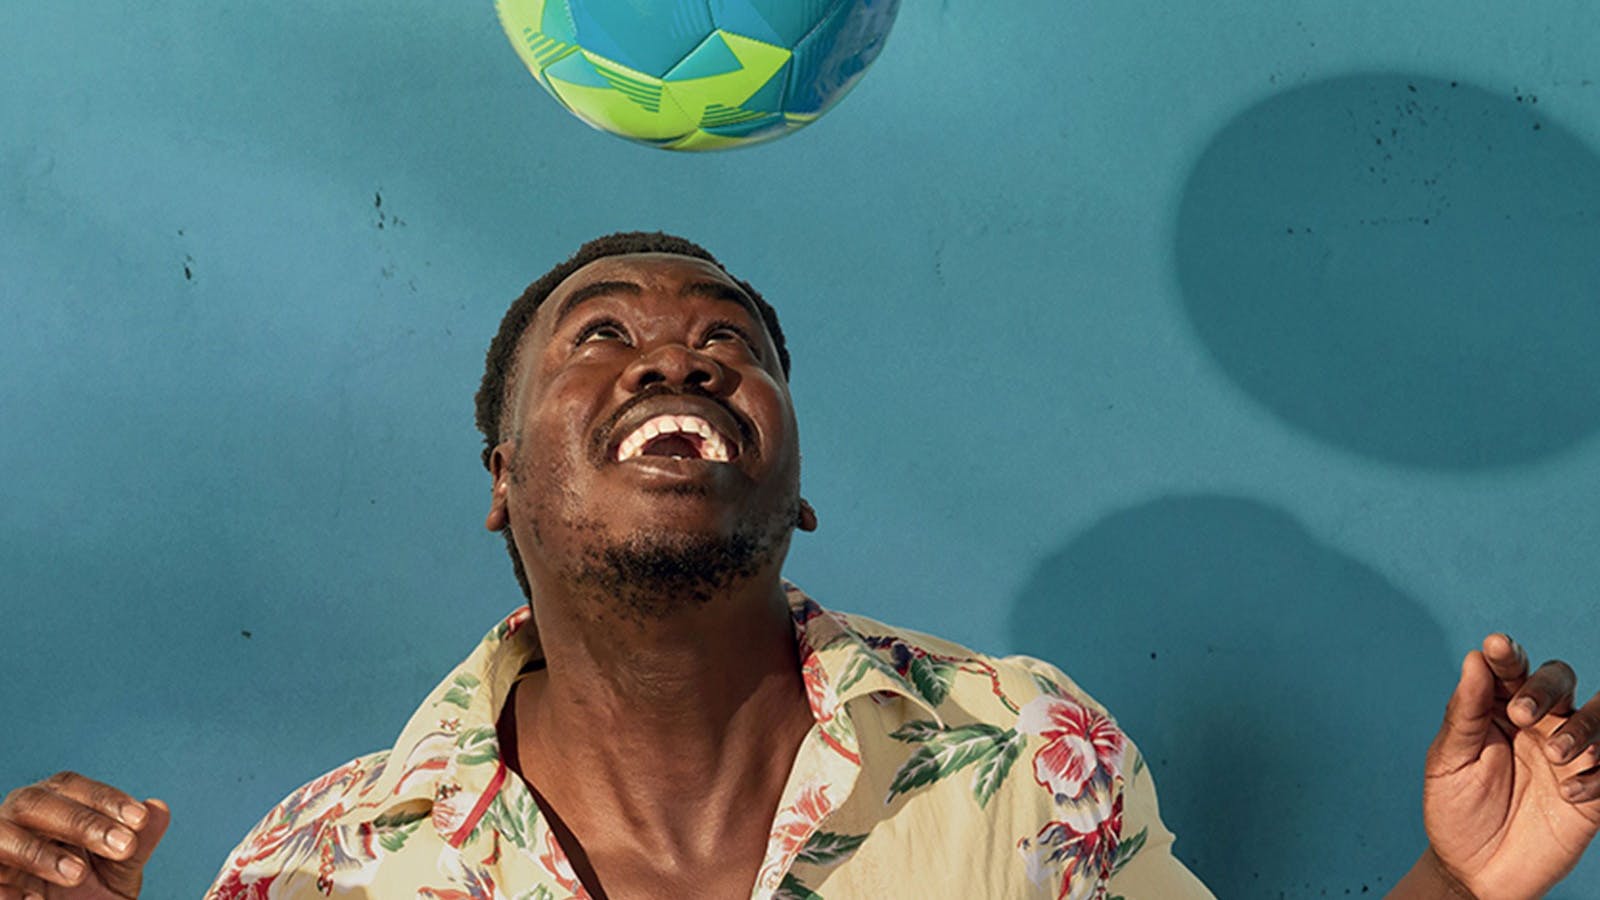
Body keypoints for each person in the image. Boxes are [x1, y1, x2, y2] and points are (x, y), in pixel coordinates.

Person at [1, 232, 1596, 899]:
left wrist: (1462, 885)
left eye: (731, 345)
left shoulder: (1027, 757)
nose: (674, 359)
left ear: (797, 485)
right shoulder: (327, 868)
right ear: (500, 484)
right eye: (600, 337)